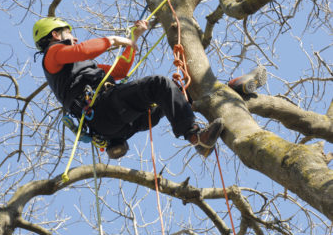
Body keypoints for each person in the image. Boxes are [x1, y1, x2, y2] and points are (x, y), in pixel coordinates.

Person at [33, 17, 226, 159]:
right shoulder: (52, 54)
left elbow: (121, 70)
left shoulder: (85, 68)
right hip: (104, 110)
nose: (74, 38)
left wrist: (133, 38)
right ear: (55, 35)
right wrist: (114, 40)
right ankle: (195, 137)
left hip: (120, 124)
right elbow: (81, 50)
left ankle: (225, 97)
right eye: (69, 33)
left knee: (176, 92)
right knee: (158, 84)